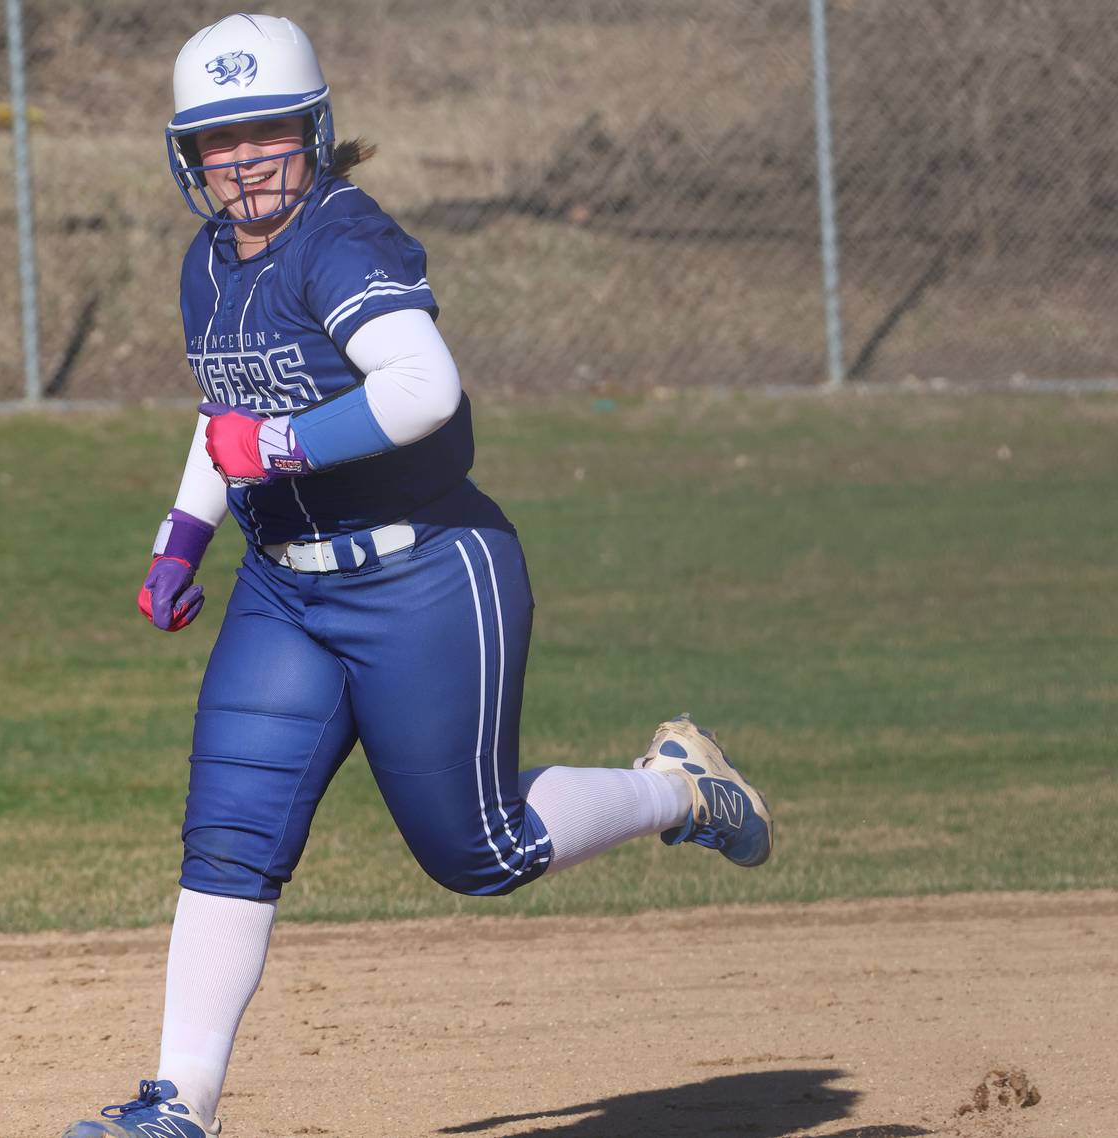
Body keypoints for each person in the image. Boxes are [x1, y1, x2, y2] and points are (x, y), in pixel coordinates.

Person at [61, 14, 773, 1138]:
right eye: (217, 138)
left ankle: (676, 786)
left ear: (315, 130)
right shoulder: (206, 263)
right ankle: (175, 1105)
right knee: (229, 837)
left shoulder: (346, 239)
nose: (243, 160)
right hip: (287, 590)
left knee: (478, 850)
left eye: (267, 132)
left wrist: (281, 449)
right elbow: (228, 418)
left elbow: (423, 385)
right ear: (184, 154)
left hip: (428, 576)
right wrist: (181, 535)